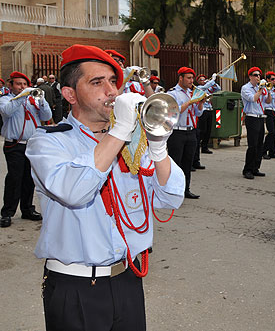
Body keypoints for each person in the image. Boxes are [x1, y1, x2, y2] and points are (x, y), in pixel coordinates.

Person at [26, 44, 184, 330]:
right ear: (70, 94)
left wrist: (158, 149)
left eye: (113, 81)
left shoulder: (130, 142)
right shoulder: (49, 141)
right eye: (97, 82)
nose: (111, 91)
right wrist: (120, 130)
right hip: (75, 286)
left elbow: (169, 199)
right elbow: (74, 191)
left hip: (127, 278)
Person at [0, 72, 52, 228]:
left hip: (32, 144)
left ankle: (27, 209)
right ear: (11, 85)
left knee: (30, 179)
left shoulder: (32, 101)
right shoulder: (5, 99)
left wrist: (42, 101)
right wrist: (22, 96)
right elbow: (7, 111)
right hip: (14, 145)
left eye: (24, 84)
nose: (22, 87)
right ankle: (7, 213)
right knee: (15, 178)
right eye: (18, 84)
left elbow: (47, 115)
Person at [166, 67, 204, 199]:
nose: (191, 80)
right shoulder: (173, 93)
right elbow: (174, 112)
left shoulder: (191, 93)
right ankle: (172, 191)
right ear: (180, 78)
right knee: (175, 163)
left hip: (191, 131)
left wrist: (200, 103)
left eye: (192, 78)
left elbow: (198, 113)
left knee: (188, 163)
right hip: (177, 132)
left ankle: (185, 189)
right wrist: (190, 102)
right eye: (188, 78)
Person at [241, 67, 271, 179]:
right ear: (250, 76)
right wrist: (260, 90)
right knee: (252, 145)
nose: (258, 77)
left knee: (259, 145)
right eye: (255, 75)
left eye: (259, 75)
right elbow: (253, 99)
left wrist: (267, 91)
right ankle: (247, 169)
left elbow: (268, 101)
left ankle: (255, 168)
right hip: (251, 117)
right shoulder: (245, 88)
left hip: (260, 117)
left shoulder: (261, 88)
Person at [194, 73, 220, 161]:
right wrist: (212, 80)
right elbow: (204, 88)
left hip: (209, 109)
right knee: (202, 130)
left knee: (208, 130)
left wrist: (213, 82)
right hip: (203, 110)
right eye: (201, 80)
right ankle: (199, 145)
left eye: (204, 79)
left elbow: (218, 89)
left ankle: (204, 147)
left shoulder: (208, 88)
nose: (203, 81)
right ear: (198, 81)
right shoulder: (198, 88)